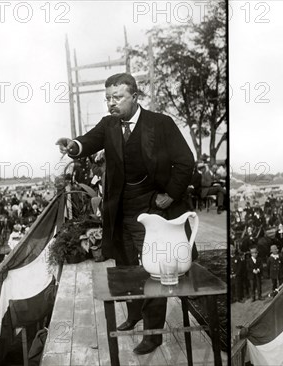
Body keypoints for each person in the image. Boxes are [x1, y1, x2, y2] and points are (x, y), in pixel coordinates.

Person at [55, 73, 195, 355]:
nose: (111, 103)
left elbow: (185, 161)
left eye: (117, 97)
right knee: (126, 265)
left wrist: (170, 194)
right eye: (107, 98)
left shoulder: (161, 123)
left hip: (155, 208)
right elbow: (88, 141)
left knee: (155, 268)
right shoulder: (109, 125)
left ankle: (154, 334)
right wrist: (74, 146)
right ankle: (134, 314)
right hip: (121, 208)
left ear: (135, 96)